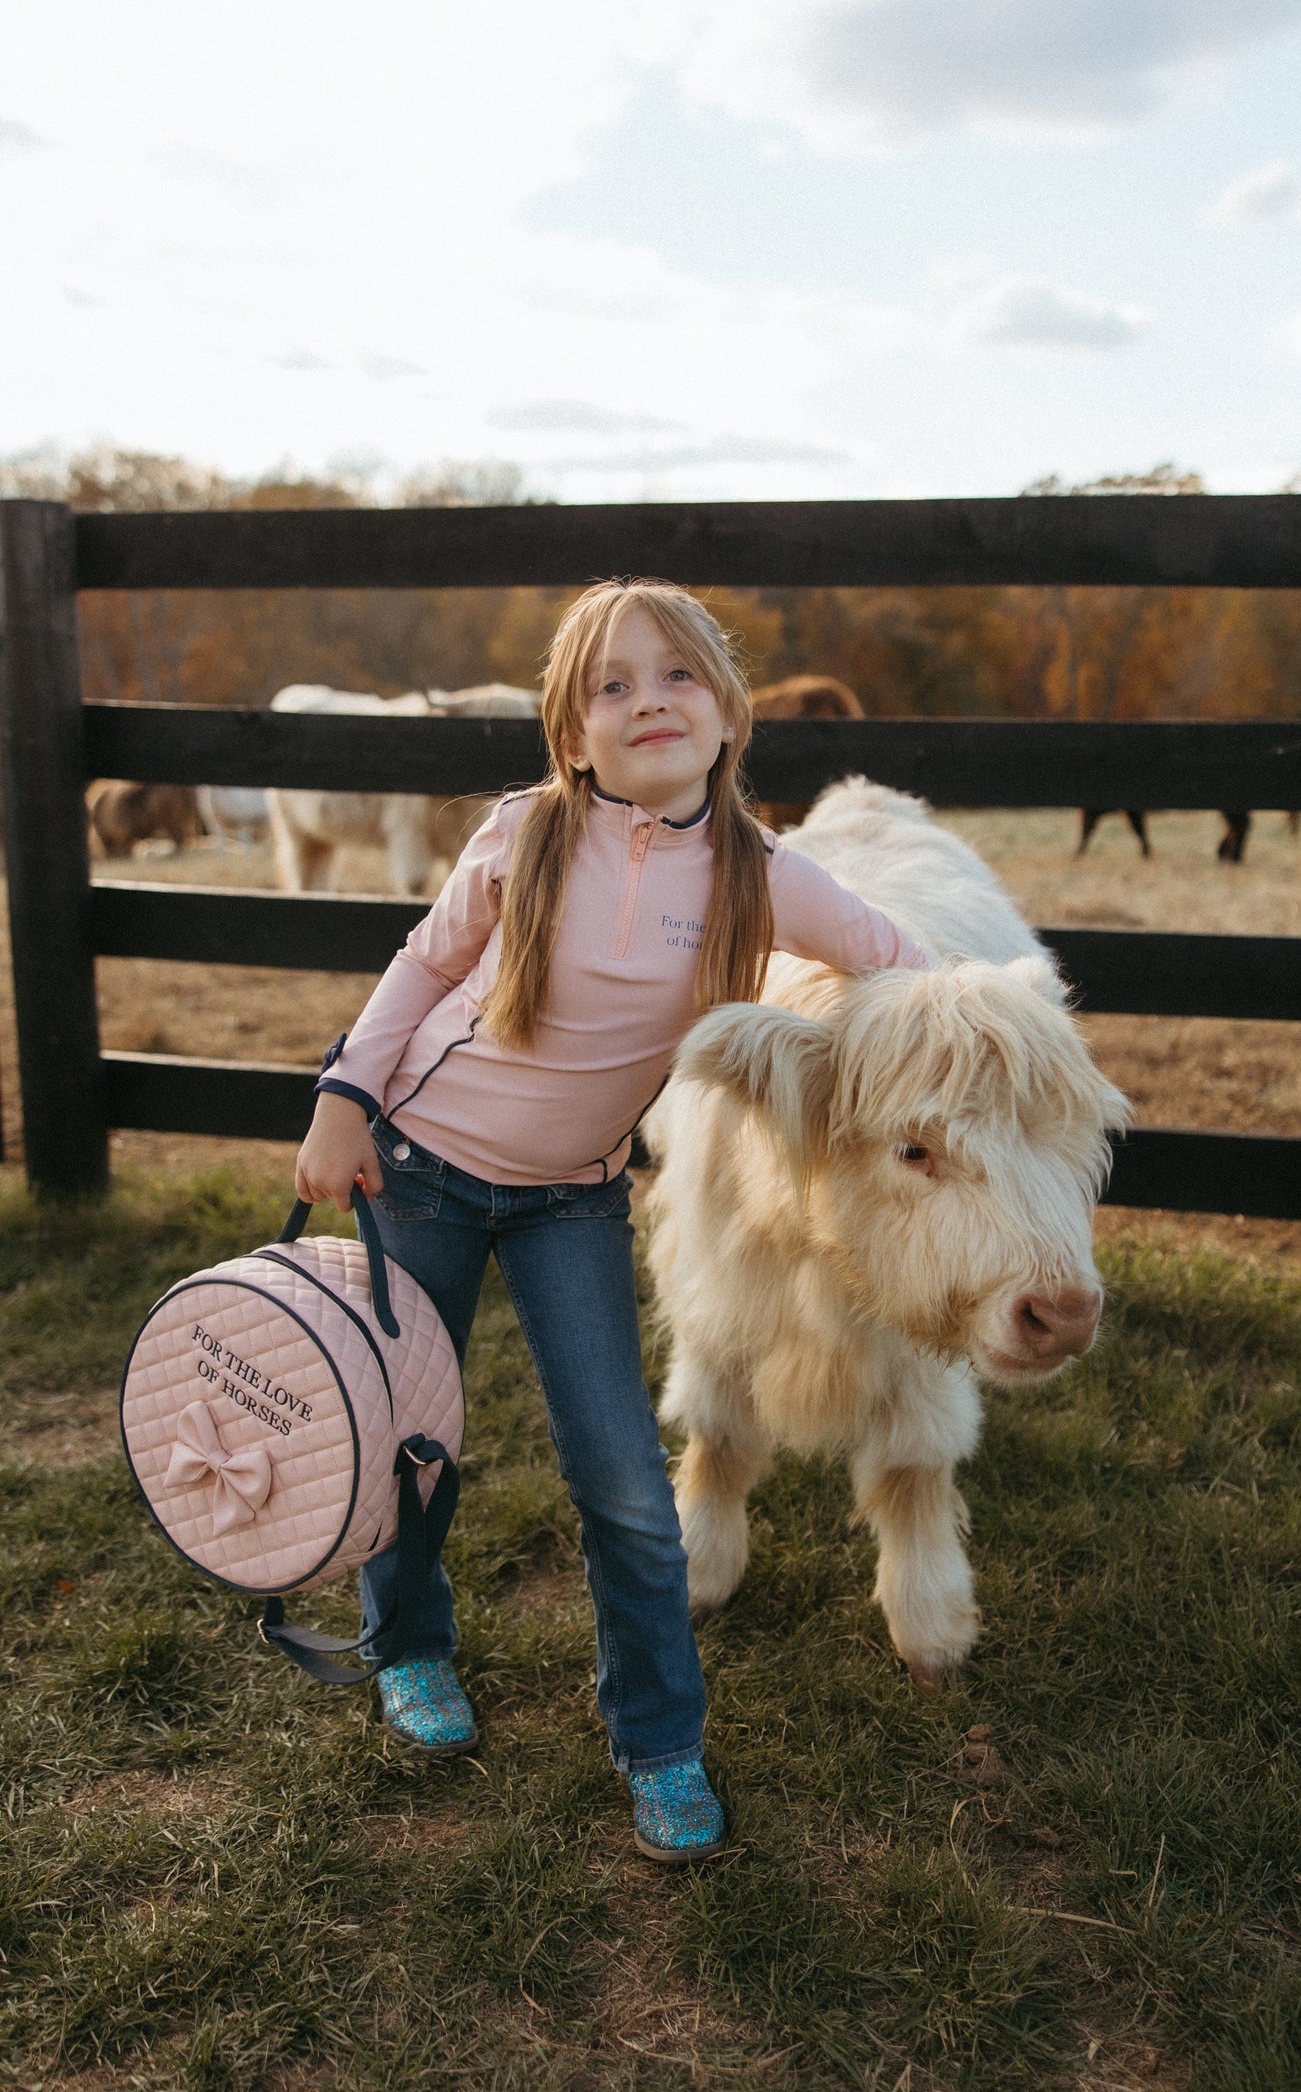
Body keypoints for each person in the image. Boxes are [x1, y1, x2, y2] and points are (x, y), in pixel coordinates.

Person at [294, 579, 928, 1863]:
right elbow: (424, 963)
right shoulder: (523, 834)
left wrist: (981, 1048)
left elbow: (906, 966)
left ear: (728, 711)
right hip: (417, 1167)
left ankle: (660, 1740)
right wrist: (342, 1100)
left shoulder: (761, 873)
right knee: (413, 1437)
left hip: (568, 1201)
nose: (649, 700)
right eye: (612, 684)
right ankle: (407, 1644)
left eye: (677, 674)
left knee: (628, 1487)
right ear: (573, 733)